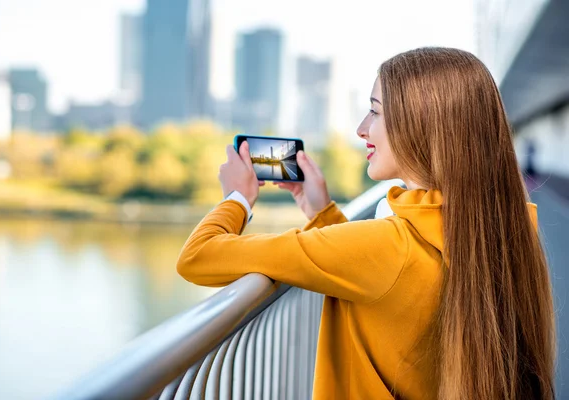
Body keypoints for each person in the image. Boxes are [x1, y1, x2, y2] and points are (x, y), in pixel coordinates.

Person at [177, 47, 555, 400]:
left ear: (418, 125)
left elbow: (197, 255)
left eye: (375, 111)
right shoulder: (503, 232)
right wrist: (321, 212)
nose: (361, 128)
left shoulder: (388, 247)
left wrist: (238, 197)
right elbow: (382, 269)